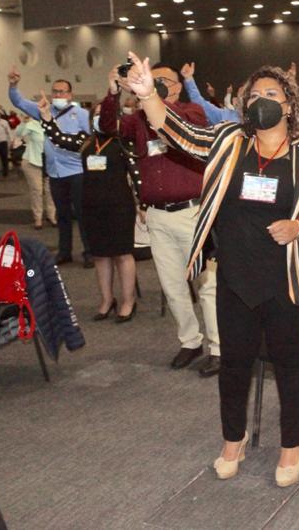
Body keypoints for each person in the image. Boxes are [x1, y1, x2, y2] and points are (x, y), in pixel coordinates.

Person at [126, 53, 299, 488]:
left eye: (271, 93)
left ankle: (292, 446)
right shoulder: (229, 140)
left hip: (288, 278)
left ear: (289, 105)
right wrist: (149, 95)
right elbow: (178, 132)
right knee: (233, 365)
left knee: (288, 364)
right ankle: (233, 441)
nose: (261, 100)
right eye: (254, 94)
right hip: (235, 276)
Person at [100, 63, 221, 375]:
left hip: (192, 213)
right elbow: (108, 126)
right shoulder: (138, 119)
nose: (151, 83)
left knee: (207, 285)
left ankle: (219, 347)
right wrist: (113, 92)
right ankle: (190, 342)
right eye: (148, 79)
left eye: (160, 80)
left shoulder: (192, 112)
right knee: (172, 285)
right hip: (157, 215)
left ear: (177, 86)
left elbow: (176, 122)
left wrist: (151, 96)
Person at [40, 98, 141, 322]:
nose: (99, 118)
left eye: (103, 114)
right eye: (95, 114)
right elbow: (59, 138)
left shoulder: (123, 142)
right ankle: (107, 300)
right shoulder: (86, 142)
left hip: (119, 206)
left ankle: (128, 300)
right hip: (91, 206)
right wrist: (47, 117)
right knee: (100, 255)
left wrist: (143, 203)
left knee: (123, 254)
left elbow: (137, 174)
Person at [9, 70, 92, 267]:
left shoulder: (81, 114)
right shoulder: (43, 110)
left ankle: (89, 251)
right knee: (62, 214)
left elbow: (88, 141)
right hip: (55, 172)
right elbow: (18, 102)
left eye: (62, 92)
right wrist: (13, 85)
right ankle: (64, 251)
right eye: (55, 91)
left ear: (70, 95)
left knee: (82, 214)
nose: (58, 95)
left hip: (77, 171)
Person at [14, 114, 56, 230]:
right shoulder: (31, 124)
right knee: (37, 190)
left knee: (51, 190)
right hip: (32, 161)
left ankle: (52, 215)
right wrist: (23, 122)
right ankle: (38, 218)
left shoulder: (55, 124)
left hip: (50, 162)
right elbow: (19, 133)